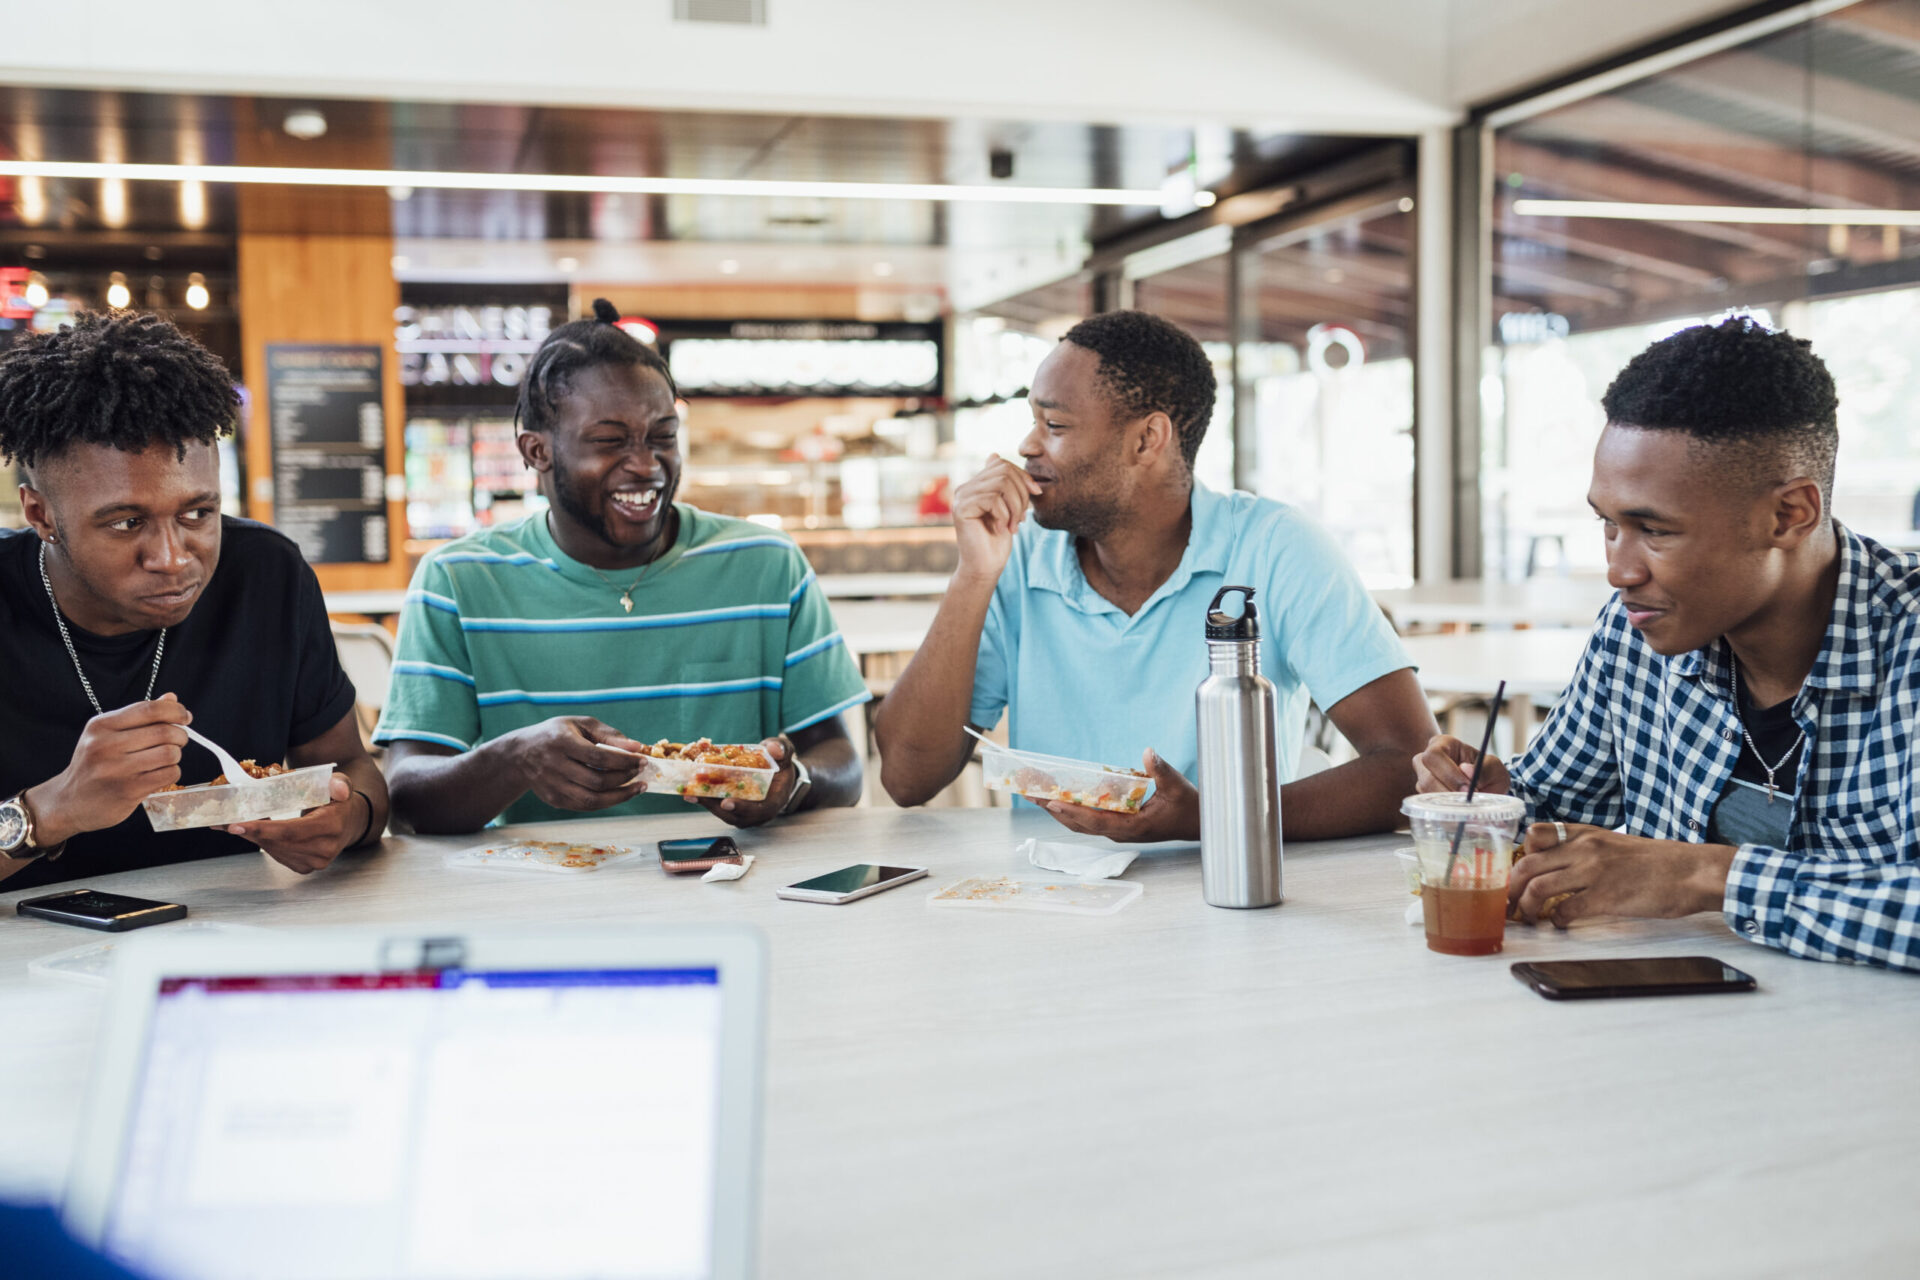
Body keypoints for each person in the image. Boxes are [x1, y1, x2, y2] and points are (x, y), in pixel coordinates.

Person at [1414, 316, 1920, 973]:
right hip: (1676, 1024)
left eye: (1654, 531)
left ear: (1789, 515)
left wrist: (1705, 875)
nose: (1619, 571)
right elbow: (1554, 804)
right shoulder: (1634, 630)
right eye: (1608, 525)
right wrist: (1491, 796)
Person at [875, 310, 1436, 841]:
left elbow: (1410, 767)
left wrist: (1214, 817)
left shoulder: (1276, 549)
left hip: (1229, 890)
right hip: (1046, 894)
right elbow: (905, 779)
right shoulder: (1017, 558)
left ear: (1147, 440)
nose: (1027, 445)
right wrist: (972, 576)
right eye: (1033, 421)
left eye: (1055, 424)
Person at [379, 300, 869, 833]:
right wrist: (515, 759)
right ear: (536, 451)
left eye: (663, 436)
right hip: (534, 881)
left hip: (741, 873)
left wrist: (792, 784)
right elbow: (405, 796)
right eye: (609, 441)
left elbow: (843, 764)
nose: (645, 464)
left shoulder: (767, 565)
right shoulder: (457, 580)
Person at [0, 312, 388, 889]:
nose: (173, 557)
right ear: (41, 515)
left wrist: (347, 819)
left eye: (197, 513)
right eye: (127, 522)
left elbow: (354, 768)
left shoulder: (266, 576)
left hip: (232, 928)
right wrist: (50, 811)